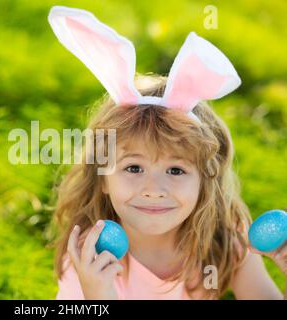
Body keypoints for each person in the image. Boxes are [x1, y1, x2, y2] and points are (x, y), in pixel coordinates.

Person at [47, 5, 286, 300]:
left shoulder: (223, 244)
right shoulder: (91, 257)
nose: (153, 190)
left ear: (204, 182)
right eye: (133, 168)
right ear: (103, 178)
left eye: (176, 170)